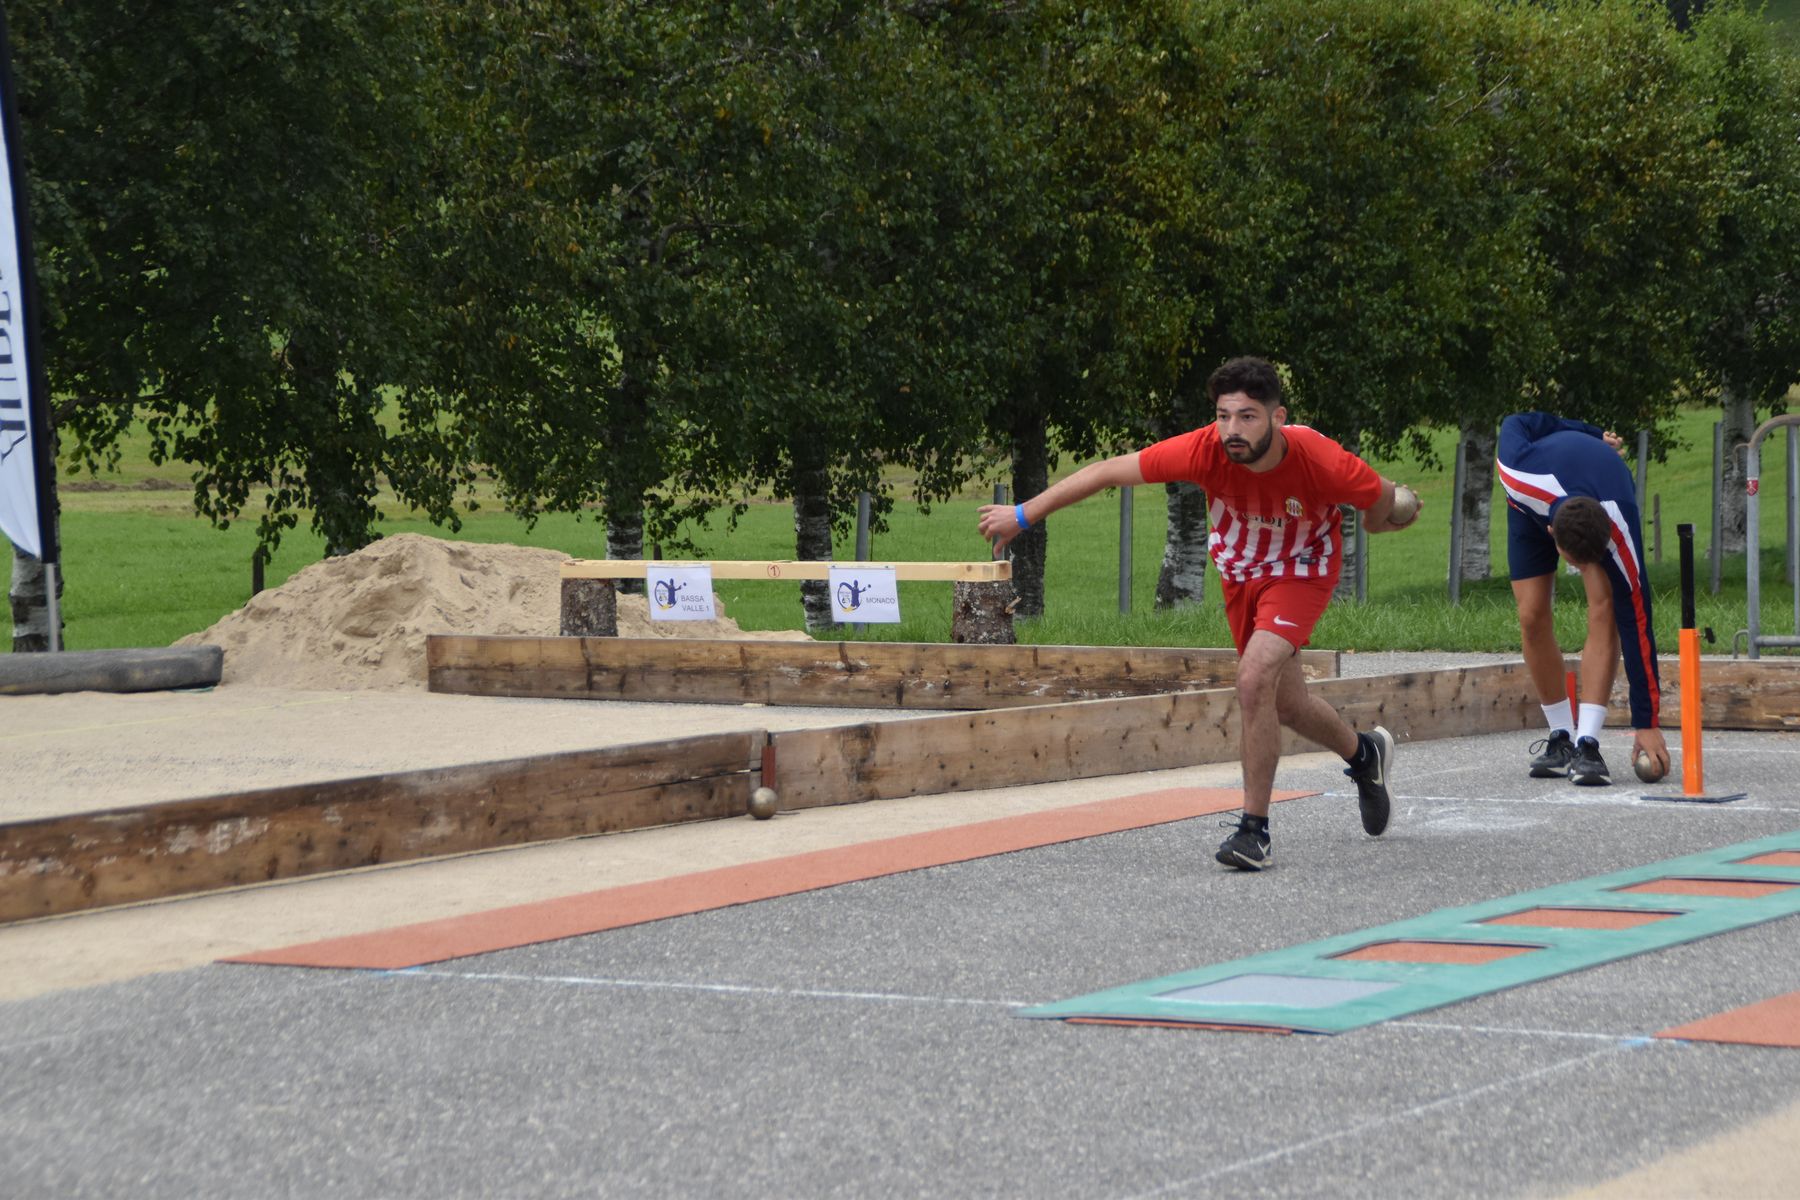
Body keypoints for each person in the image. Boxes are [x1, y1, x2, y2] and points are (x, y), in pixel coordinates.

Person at [977, 356, 1417, 871]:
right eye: (1224, 415)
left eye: (1247, 416)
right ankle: (1364, 755)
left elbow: (1381, 502)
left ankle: (1254, 831)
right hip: (1239, 574)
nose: (1232, 430)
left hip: (1301, 571)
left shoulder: (1322, 461)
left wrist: (1387, 518)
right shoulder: (1204, 449)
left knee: (1253, 677)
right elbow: (1106, 471)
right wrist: (1022, 514)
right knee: (1288, 704)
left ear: (1277, 418)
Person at [1496, 412, 1667, 786]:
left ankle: (1587, 743)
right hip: (1529, 506)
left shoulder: (1619, 527)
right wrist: (1589, 432)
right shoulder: (1517, 469)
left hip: (1602, 489)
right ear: (1553, 534)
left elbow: (1637, 620)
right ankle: (1561, 737)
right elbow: (1517, 421)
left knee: (1605, 607)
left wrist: (1647, 721)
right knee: (1531, 615)